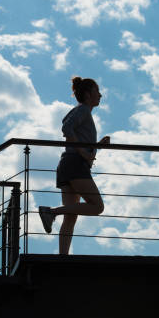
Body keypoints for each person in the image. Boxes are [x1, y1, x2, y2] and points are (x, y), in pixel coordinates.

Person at [38, 77, 110, 255]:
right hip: (75, 165)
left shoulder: (82, 111)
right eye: (97, 91)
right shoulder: (83, 110)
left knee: (71, 216)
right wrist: (83, 152)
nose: (100, 95)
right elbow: (66, 128)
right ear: (87, 94)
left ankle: (63, 256)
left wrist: (97, 146)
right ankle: (52, 212)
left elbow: (74, 136)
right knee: (97, 206)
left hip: (68, 164)